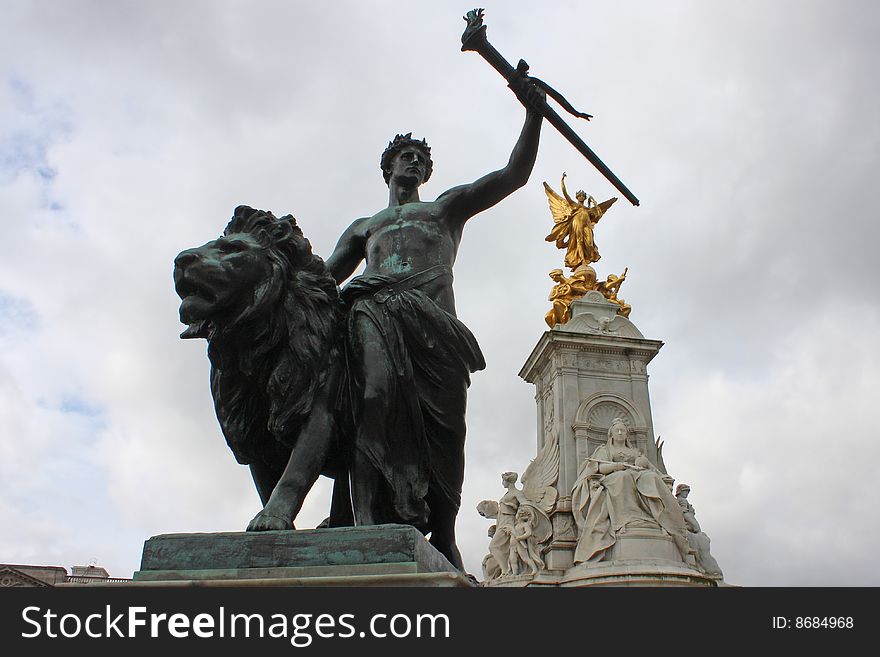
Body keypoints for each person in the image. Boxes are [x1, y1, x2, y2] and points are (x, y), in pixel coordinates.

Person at [323, 88, 544, 570]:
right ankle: (361, 518)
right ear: (388, 168)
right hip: (376, 316)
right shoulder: (365, 226)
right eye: (406, 157)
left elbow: (513, 176)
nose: (414, 163)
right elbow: (322, 280)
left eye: (421, 159)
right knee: (372, 401)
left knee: (448, 432)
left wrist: (533, 113)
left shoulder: (443, 210)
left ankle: (443, 531)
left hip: (436, 333)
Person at [571, 418, 691, 564]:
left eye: (623, 430)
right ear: (611, 434)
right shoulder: (605, 450)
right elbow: (600, 468)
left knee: (652, 478)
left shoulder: (634, 451)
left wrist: (646, 466)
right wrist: (617, 467)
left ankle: (658, 518)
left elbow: (650, 468)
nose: (620, 433)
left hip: (637, 474)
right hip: (613, 477)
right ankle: (625, 521)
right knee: (624, 477)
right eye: (617, 430)